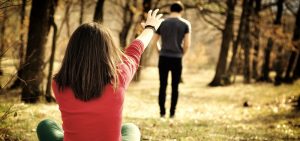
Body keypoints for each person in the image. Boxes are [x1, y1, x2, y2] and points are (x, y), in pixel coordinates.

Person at [36, 9, 163, 141]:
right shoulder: (119, 76)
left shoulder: (58, 83)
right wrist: (150, 27)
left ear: (72, 51)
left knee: (45, 125)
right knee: (131, 128)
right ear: (107, 50)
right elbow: (135, 50)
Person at [152, 1, 191, 118]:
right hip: (177, 59)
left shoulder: (162, 23)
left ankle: (162, 113)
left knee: (162, 85)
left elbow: (155, 41)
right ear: (181, 11)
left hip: (163, 57)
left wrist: (159, 51)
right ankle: (172, 113)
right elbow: (187, 44)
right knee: (175, 86)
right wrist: (181, 53)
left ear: (170, 10)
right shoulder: (185, 24)